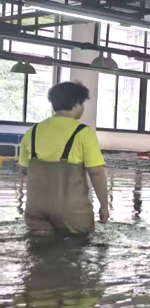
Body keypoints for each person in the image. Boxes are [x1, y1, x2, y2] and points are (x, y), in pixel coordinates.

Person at [19, 81, 108, 234]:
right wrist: (104, 206)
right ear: (77, 104)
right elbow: (96, 173)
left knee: (39, 246)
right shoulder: (84, 133)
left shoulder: (31, 132)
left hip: (36, 208)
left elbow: (24, 170)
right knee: (78, 246)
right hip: (72, 210)